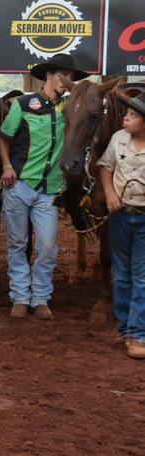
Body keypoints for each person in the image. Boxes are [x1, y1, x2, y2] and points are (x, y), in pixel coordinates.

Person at [0, 53, 88, 320]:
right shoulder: (23, 104)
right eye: (63, 75)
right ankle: (20, 297)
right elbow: (3, 137)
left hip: (51, 188)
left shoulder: (71, 108)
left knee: (48, 246)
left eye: (71, 78)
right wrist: (6, 166)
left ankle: (40, 297)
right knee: (17, 242)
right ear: (48, 75)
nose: (67, 81)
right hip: (20, 185)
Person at [97, 93, 145, 359]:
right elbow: (105, 167)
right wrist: (110, 193)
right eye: (126, 114)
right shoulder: (118, 139)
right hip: (120, 216)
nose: (126, 118)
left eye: (133, 115)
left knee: (140, 275)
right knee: (122, 274)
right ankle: (126, 328)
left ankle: (139, 334)